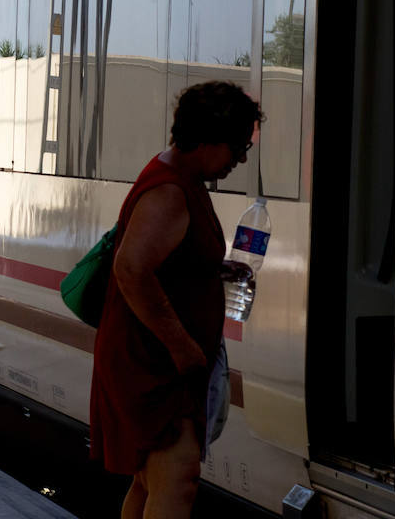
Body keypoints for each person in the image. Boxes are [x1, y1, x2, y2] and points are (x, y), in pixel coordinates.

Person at [90, 81, 262, 518]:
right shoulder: (170, 190)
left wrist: (211, 271)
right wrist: (182, 346)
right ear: (207, 140)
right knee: (178, 479)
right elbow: (131, 269)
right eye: (238, 147)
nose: (240, 159)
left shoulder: (181, 177)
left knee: (151, 482)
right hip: (155, 363)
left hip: (157, 360)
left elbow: (167, 259)